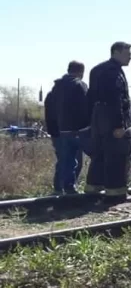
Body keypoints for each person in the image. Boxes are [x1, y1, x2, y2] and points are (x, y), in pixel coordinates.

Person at [84, 41, 131, 204]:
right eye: (127, 54)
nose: (130, 57)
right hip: (112, 116)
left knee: (99, 154)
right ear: (116, 52)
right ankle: (116, 194)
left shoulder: (97, 69)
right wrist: (119, 125)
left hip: (98, 117)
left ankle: (93, 189)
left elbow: (91, 97)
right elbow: (116, 99)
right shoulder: (114, 72)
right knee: (118, 155)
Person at [47, 61, 89, 194]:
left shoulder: (54, 89)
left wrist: (53, 131)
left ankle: (59, 188)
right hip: (77, 130)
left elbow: (50, 112)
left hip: (59, 131)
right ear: (81, 72)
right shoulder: (79, 85)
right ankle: (71, 188)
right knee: (76, 161)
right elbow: (86, 107)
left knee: (64, 160)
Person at [43, 82, 62, 195]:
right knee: (69, 160)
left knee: (62, 159)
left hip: (54, 132)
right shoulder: (62, 95)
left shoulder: (50, 95)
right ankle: (64, 187)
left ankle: (59, 188)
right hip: (64, 131)